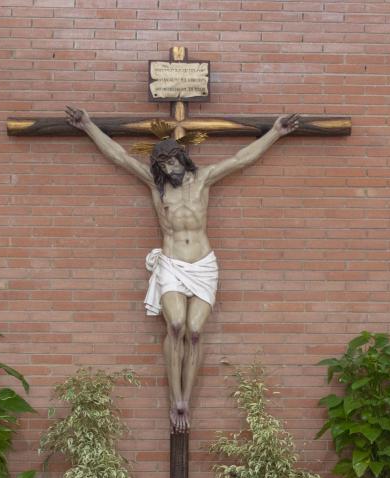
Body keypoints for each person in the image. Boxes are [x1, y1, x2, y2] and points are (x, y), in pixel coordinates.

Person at [64, 107, 300, 433]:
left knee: (195, 331)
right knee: (175, 325)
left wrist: (275, 132)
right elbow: (119, 156)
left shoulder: (203, 179)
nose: (168, 167)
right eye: (162, 163)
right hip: (173, 264)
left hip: (202, 264)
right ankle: (174, 397)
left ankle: (186, 398)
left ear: (183, 157)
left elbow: (241, 159)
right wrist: (89, 125)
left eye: (172, 161)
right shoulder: (156, 185)